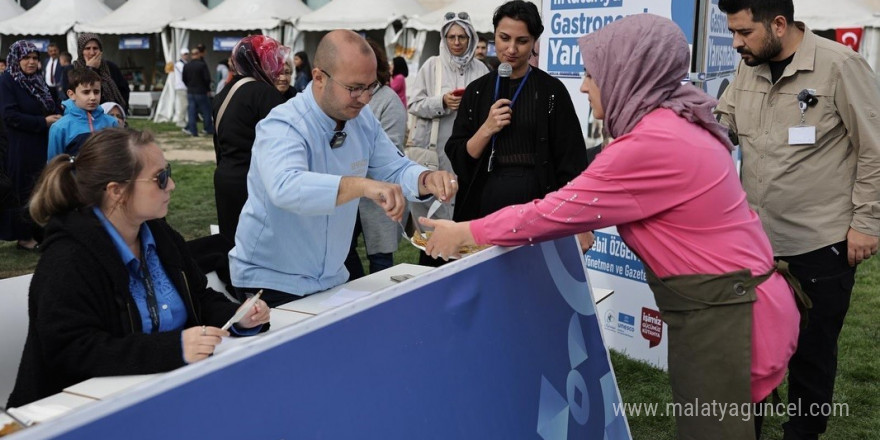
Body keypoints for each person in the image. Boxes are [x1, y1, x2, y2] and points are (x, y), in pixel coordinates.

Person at [424, 14, 803, 440]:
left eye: (592, 74)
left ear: (627, 73)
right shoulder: (676, 120)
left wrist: (466, 232)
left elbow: (551, 212)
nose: (584, 86)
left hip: (730, 323)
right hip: (742, 307)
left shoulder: (651, 142)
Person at [5, 128, 270, 408]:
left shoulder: (161, 236)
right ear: (116, 191)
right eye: (160, 178)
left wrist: (238, 316)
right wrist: (174, 349)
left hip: (160, 397)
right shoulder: (68, 259)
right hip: (71, 416)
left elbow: (198, 298)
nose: (171, 185)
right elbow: (72, 352)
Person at [714, 1, 880, 438]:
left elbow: (873, 149)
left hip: (820, 245)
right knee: (746, 359)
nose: (736, 43)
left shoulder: (841, 66)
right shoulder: (748, 65)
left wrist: (866, 223)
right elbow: (723, 125)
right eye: (732, 32)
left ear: (779, 24)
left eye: (744, 32)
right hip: (756, 247)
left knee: (811, 357)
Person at [229, 30, 457, 307]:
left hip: (331, 276)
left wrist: (425, 178)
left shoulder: (364, 121)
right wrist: (361, 185)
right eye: (354, 88)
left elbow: (393, 167)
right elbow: (285, 187)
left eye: (370, 86)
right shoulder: (283, 124)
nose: (364, 98)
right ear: (319, 77)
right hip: (272, 280)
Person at [445, 1, 587, 222]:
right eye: (504, 38)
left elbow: (572, 161)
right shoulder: (476, 91)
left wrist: (574, 217)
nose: (511, 49)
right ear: (494, 35)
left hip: (537, 203)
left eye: (522, 41)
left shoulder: (551, 91)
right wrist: (487, 129)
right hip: (484, 202)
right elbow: (459, 159)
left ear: (534, 42)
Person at [408, 11, 488, 266]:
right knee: (434, 220)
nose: (456, 42)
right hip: (437, 155)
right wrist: (441, 102)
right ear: (444, 38)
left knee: (465, 217)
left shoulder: (482, 69)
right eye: (451, 36)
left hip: (470, 154)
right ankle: (431, 270)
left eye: (462, 37)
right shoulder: (431, 66)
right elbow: (414, 103)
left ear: (471, 38)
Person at [212, 35, 288, 248]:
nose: (277, 65)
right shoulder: (264, 93)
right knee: (260, 247)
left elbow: (219, 143)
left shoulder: (225, 92)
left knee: (234, 245)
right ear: (258, 61)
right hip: (254, 182)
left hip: (226, 177)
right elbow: (282, 142)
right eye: (272, 58)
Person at [345, 39, 408, 278]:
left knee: (380, 257)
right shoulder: (349, 98)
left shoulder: (389, 101)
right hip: (350, 194)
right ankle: (357, 295)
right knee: (343, 250)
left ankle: (379, 304)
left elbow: (391, 151)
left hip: (379, 195)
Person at [0, 40, 61, 251]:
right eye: (26, 58)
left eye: (35, 58)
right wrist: (42, 122)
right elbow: (9, 115)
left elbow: (48, 104)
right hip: (20, 146)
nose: (32, 62)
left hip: (41, 143)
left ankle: (39, 232)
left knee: (39, 188)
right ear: (16, 59)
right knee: (23, 190)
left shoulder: (36, 80)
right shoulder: (7, 81)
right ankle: (24, 237)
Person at [47, 68, 118, 160]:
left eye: (96, 92)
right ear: (71, 94)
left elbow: (118, 158)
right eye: (86, 92)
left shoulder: (112, 123)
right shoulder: (60, 128)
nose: (92, 97)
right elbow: (54, 165)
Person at [64, 33, 129, 111]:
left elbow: (124, 90)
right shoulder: (71, 69)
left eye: (95, 48)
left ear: (100, 50)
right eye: (87, 48)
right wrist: (90, 69)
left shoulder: (110, 67)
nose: (92, 52)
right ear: (81, 51)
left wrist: (121, 111)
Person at [182, 46, 214, 137]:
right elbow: (207, 79)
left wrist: (189, 86)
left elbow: (184, 79)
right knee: (206, 111)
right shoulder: (202, 65)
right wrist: (207, 89)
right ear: (198, 54)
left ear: (192, 55)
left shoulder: (186, 65)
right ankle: (208, 129)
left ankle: (193, 131)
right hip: (201, 91)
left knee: (191, 112)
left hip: (190, 91)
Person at [173, 48, 189, 128]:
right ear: (181, 55)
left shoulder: (185, 63)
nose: (186, 56)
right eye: (184, 54)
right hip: (181, 87)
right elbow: (185, 73)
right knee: (183, 104)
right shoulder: (179, 64)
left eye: (187, 54)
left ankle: (183, 119)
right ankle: (180, 121)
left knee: (185, 104)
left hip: (184, 87)